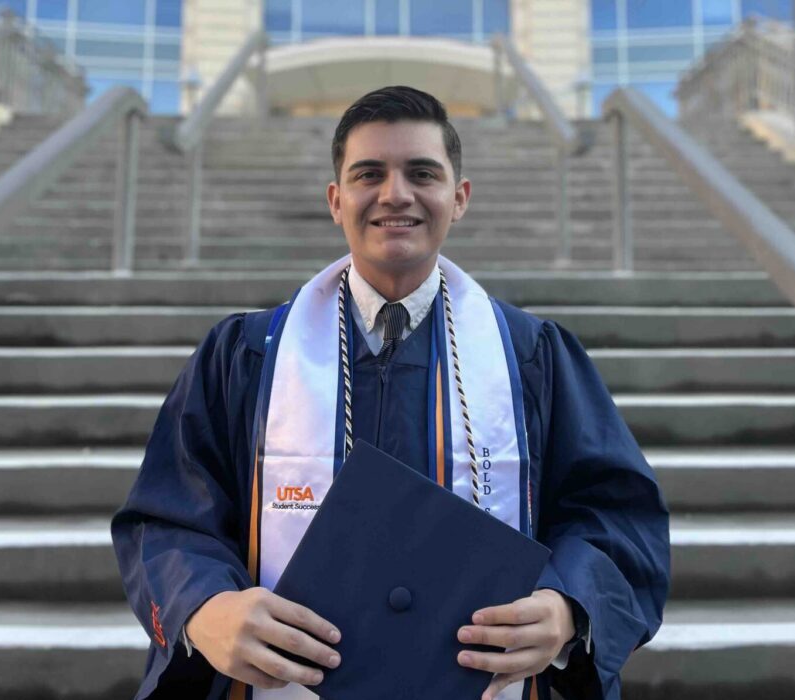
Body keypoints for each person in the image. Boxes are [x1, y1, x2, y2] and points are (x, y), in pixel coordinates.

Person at [112, 85, 670, 700]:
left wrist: (569, 608)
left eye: (422, 173)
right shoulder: (246, 355)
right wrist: (204, 606)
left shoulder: (531, 356)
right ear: (336, 200)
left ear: (459, 198)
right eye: (368, 174)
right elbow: (167, 518)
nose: (395, 194)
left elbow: (617, 516)